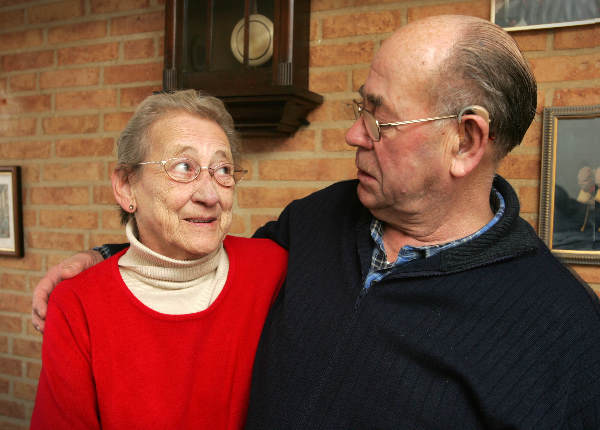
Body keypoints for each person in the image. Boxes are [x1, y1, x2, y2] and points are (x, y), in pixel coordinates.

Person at [32, 15, 600, 429]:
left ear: (466, 141)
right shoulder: (318, 218)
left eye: (380, 119)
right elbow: (203, 260)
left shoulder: (564, 334)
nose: (355, 133)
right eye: (362, 108)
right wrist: (107, 259)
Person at [30, 90, 287, 429]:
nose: (210, 195)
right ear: (125, 186)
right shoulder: (78, 306)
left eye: (223, 169)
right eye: (184, 167)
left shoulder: (272, 268)